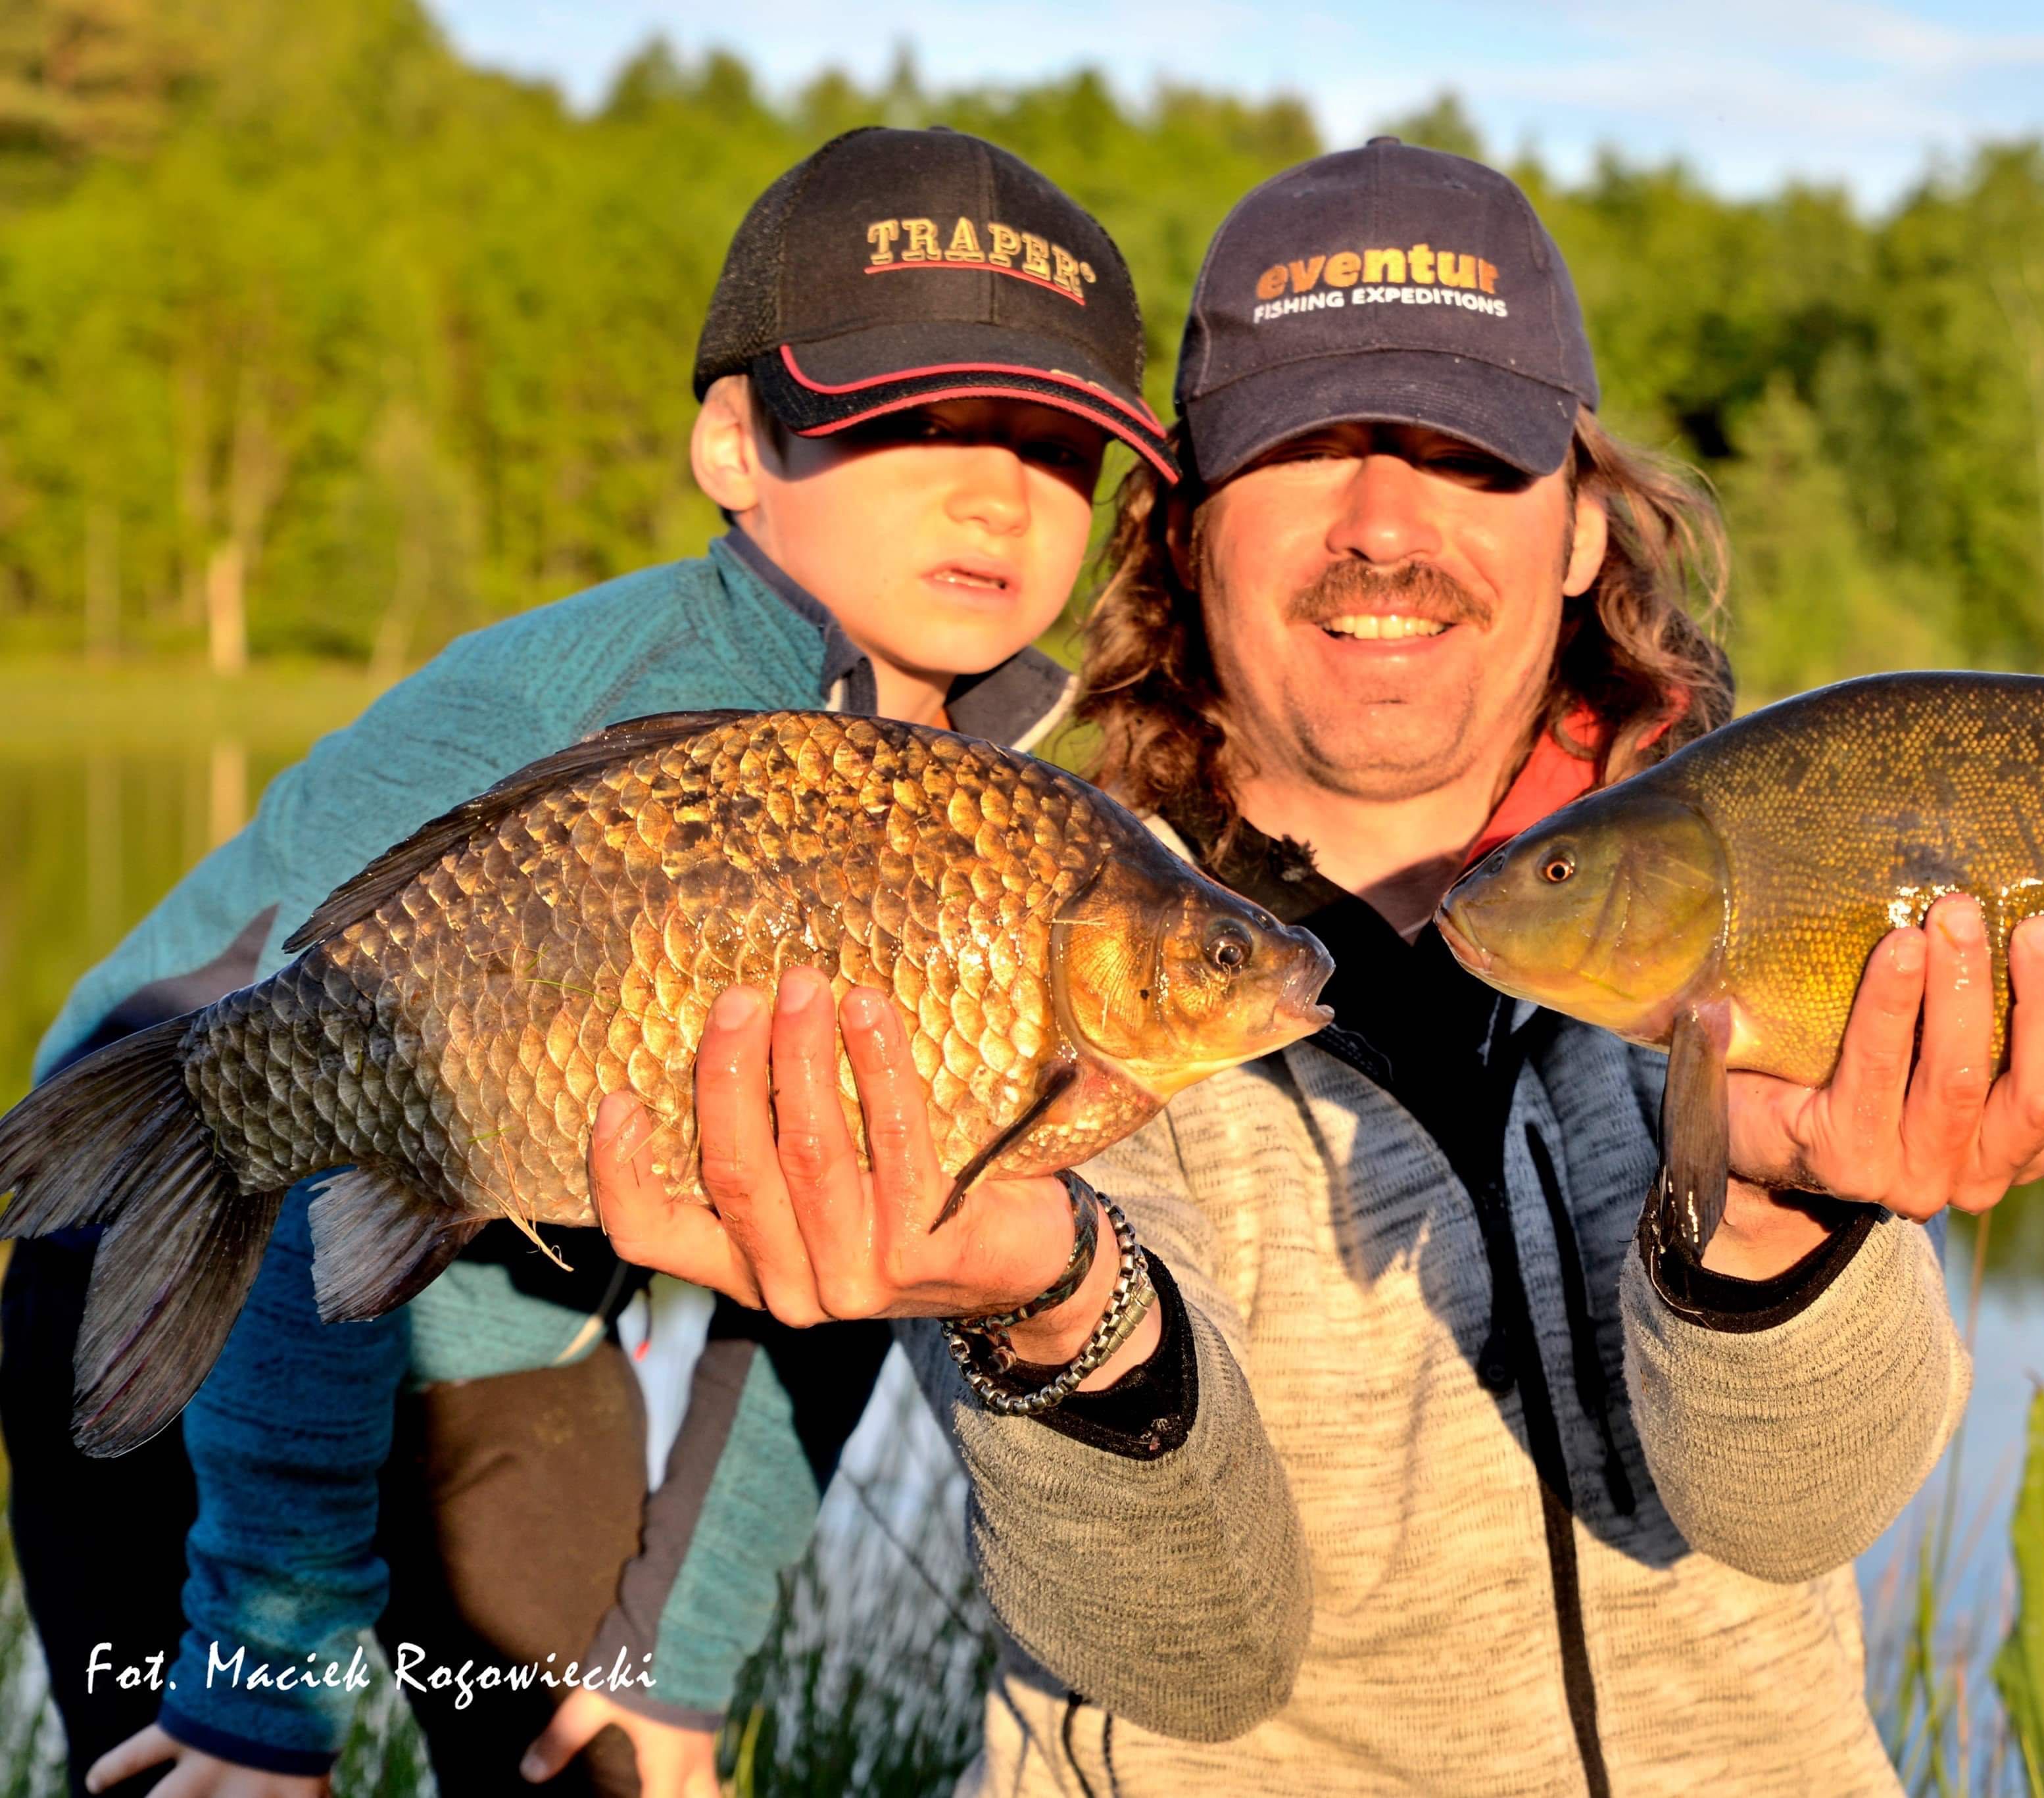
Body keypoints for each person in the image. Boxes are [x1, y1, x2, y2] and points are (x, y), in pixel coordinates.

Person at [592, 137, 2044, 1795]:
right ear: (1188, 527)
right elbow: (1187, 1653)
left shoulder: (1769, 891)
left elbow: (1799, 1511)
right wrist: (1060, 1309)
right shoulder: (1022, 924)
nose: (1382, 524)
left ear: (1578, 528)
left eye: (1463, 455)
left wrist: (1779, 1227)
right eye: (1306, 450)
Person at [1, 127, 1175, 1798]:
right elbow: (306, 1129)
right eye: (912, 420)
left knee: (596, 1760)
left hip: (511, 1289)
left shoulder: (1001, 824)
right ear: (730, 442)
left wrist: (681, 1664)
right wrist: (264, 1677)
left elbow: (830, 1282)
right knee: (214, 1761)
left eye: (1060, 447)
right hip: (162, 1211)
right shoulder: (555, 710)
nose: (995, 488)